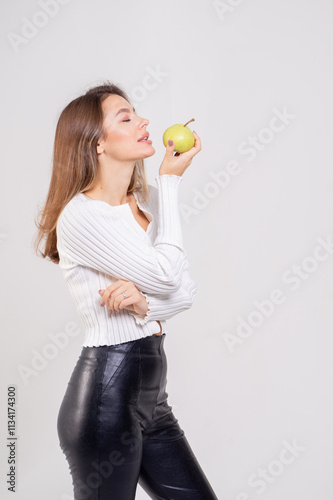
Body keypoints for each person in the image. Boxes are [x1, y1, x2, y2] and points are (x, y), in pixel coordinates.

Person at [34, 82, 218, 499]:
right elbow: (170, 278)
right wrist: (171, 183)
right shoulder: (81, 217)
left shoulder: (146, 202)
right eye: (126, 117)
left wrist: (145, 302)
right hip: (106, 397)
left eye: (137, 113)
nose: (144, 121)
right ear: (97, 144)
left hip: (151, 400)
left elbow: (185, 291)